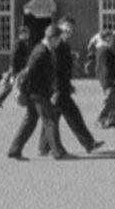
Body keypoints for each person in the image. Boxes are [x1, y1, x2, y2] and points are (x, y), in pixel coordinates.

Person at [7, 25, 71, 161]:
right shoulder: (41, 52)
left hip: (38, 91)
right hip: (37, 92)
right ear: (52, 38)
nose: (59, 42)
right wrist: (19, 89)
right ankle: (57, 152)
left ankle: (15, 149)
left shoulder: (44, 50)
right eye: (58, 39)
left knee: (30, 121)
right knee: (50, 119)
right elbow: (27, 72)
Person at [40, 17, 103, 154]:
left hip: (61, 87)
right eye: (66, 27)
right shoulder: (57, 45)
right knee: (73, 116)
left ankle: (43, 147)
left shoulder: (63, 44)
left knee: (52, 117)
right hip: (58, 89)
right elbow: (55, 68)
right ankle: (88, 143)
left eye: (71, 28)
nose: (69, 30)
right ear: (59, 27)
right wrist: (56, 89)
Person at [0, 26, 31, 108]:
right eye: (26, 33)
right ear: (22, 34)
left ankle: (0, 99)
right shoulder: (18, 43)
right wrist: (13, 69)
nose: (28, 35)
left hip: (20, 68)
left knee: (12, 85)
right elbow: (13, 56)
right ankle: (23, 101)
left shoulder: (22, 43)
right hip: (17, 69)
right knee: (17, 84)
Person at [95, 30, 115, 128]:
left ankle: (112, 120)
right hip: (108, 78)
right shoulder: (104, 50)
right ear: (106, 38)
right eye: (110, 37)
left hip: (109, 78)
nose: (112, 39)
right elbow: (106, 67)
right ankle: (100, 119)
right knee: (109, 100)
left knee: (113, 100)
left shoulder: (105, 49)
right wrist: (114, 80)